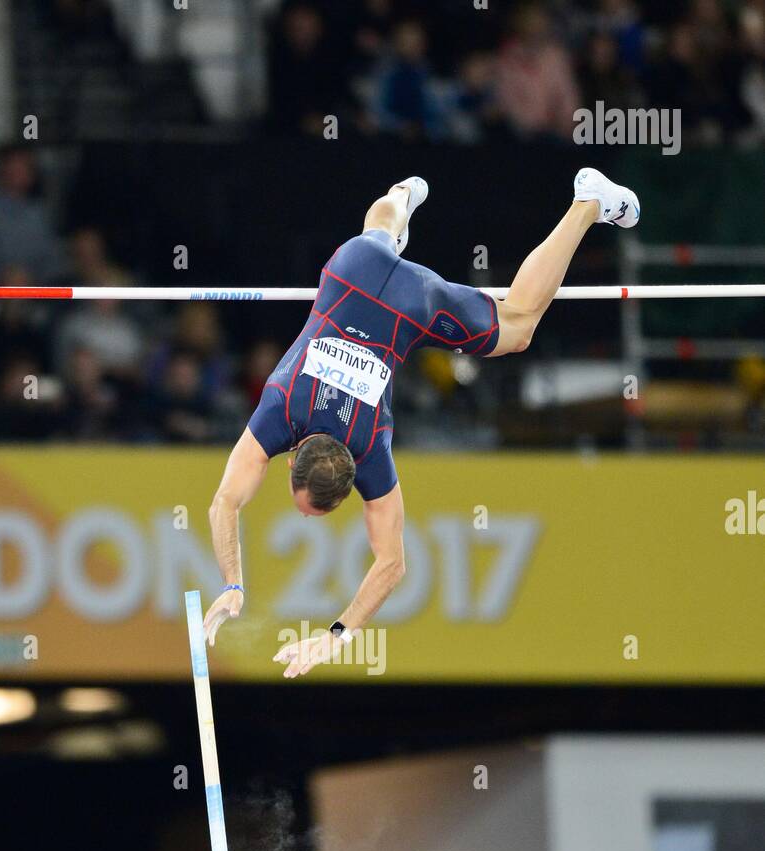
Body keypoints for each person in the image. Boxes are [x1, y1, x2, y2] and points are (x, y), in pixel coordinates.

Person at [203, 168, 640, 676]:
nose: (303, 517)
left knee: (518, 326)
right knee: (376, 238)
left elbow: (392, 564)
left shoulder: (368, 453)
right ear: (293, 457)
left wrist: (333, 635)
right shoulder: (281, 409)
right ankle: (401, 195)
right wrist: (232, 584)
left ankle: (586, 205)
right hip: (354, 272)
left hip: (411, 304)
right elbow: (225, 503)